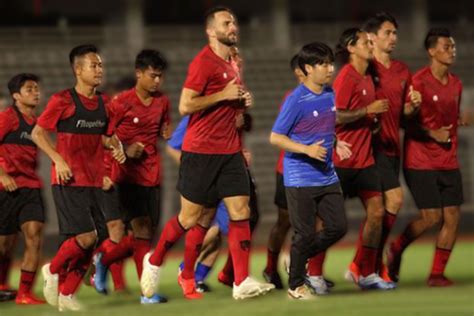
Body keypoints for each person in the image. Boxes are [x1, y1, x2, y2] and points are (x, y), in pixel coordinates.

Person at [140, 6, 274, 300]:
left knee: (242, 212)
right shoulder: (203, 62)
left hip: (230, 154)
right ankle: (155, 259)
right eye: (226, 23)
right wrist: (223, 95)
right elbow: (186, 105)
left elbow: (229, 105)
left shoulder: (234, 63)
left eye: (234, 21)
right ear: (211, 31)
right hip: (201, 153)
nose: (233, 26)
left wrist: (241, 100)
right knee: (190, 219)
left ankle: (240, 281)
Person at [32, 44, 125, 311]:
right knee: (86, 237)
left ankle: (67, 294)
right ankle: (53, 269)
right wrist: (58, 159)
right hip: (68, 179)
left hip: (95, 180)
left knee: (95, 240)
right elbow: (39, 133)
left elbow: (107, 137)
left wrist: (117, 147)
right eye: (93, 65)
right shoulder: (62, 100)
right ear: (78, 69)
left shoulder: (105, 103)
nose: (99, 70)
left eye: (100, 65)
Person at [387, 28, 466, 287]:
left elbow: (451, 118)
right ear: (431, 51)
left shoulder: (456, 84)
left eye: (453, 46)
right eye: (446, 46)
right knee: (431, 217)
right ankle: (397, 249)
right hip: (420, 160)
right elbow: (403, 121)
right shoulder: (418, 81)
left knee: (453, 216)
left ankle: (436, 274)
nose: (451, 51)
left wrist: (460, 120)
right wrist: (432, 132)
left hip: (448, 160)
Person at [91, 49, 170, 304]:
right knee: (142, 229)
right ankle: (147, 293)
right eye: (153, 76)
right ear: (139, 73)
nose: (157, 81)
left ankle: (105, 259)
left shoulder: (163, 101)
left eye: (160, 77)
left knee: (144, 235)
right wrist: (124, 149)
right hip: (127, 176)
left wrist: (167, 133)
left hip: (153, 175)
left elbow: (162, 129)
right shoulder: (120, 102)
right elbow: (102, 138)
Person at [270, 42, 348, 299]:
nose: (330, 68)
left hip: (326, 175)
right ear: (307, 68)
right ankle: (295, 286)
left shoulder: (329, 94)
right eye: (323, 64)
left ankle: (297, 256)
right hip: (300, 177)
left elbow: (323, 127)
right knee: (304, 234)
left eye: (330, 63)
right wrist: (307, 150)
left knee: (338, 227)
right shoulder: (296, 100)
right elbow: (276, 137)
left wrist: (337, 142)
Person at [359, 12, 422, 280]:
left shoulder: (402, 70)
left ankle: (366, 263)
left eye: (395, 33)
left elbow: (403, 113)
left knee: (382, 211)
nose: (393, 37)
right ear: (371, 37)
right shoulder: (364, 69)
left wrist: (412, 107)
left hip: (392, 146)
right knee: (392, 202)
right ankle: (369, 265)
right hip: (370, 148)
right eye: (388, 32)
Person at [333, 28, 395, 290]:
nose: (372, 45)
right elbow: (335, 116)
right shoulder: (346, 77)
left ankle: (365, 272)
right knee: (328, 223)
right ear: (351, 47)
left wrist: (373, 123)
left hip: (365, 159)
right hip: (342, 160)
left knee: (377, 212)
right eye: (366, 42)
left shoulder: (368, 77)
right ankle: (309, 273)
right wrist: (366, 110)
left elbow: (360, 118)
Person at [0, 73, 45, 305]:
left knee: (34, 235)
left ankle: (24, 293)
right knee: (4, 246)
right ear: (16, 96)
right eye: (29, 89)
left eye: (36, 88)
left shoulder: (38, 123)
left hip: (31, 187)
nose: (36, 92)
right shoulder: (7, 118)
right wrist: (2, 174)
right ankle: (1, 285)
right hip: (7, 189)